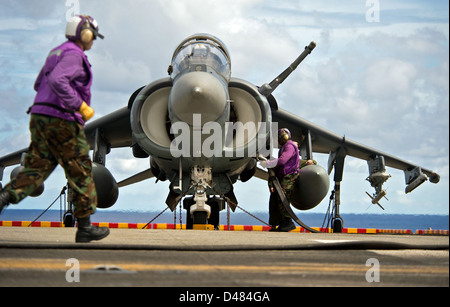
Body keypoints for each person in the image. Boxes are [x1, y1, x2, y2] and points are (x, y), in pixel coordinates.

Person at [0, 15, 109, 243]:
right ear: (84, 33)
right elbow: (59, 81)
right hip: (62, 120)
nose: (92, 42)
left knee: (35, 169)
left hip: (40, 117)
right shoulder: (74, 55)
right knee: (80, 168)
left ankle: (2, 198)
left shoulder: (55, 53)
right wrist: (79, 105)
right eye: (92, 37)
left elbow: (39, 84)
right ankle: (85, 227)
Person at [260, 128, 313, 232]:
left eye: (281, 136)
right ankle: (283, 223)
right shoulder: (286, 147)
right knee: (280, 199)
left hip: (290, 176)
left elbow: (282, 161)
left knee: (283, 199)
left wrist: (268, 163)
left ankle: (288, 223)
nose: (280, 139)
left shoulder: (289, 146)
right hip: (285, 176)